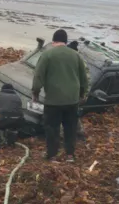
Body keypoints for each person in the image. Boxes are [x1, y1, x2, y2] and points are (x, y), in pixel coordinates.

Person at [32, 29, 89, 162]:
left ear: (53, 41)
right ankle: (70, 155)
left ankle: (52, 155)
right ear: (65, 41)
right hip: (72, 100)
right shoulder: (76, 56)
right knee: (70, 127)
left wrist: (35, 93)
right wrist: (81, 94)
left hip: (53, 100)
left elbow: (38, 76)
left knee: (52, 128)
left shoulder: (47, 55)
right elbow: (84, 78)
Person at [67, 41, 90, 141]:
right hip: (80, 94)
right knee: (73, 113)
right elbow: (87, 80)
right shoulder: (80, 60)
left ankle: (65, 137)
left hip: (75, 94)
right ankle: (80, 133)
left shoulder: (75, 61)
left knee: (66, 113)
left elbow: (84, 80)